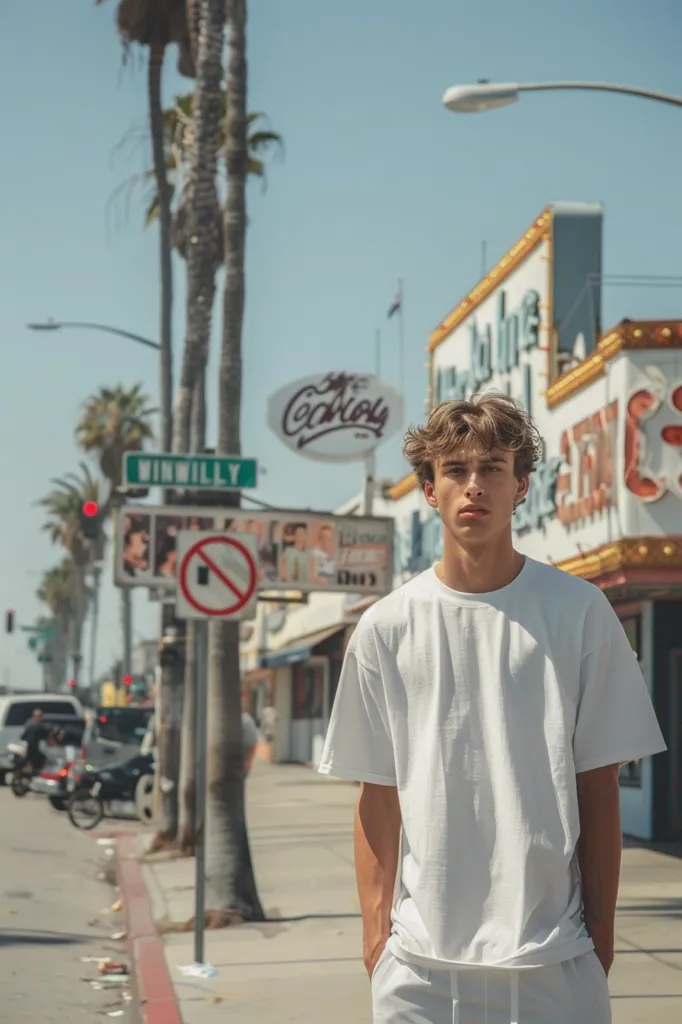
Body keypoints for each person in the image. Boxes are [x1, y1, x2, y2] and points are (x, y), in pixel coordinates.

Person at [318, 393, 666, 1024]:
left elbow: (599, 786)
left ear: (521, 486)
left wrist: (598, 942)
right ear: (428, 489)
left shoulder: (580, 612)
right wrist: (378, 944)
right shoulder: (385, 628)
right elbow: (378, 793)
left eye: (493, 468)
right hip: (419, 972)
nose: (473, 485)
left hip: (552, 962)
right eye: (454, 470)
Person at [21, 709, 50, 774]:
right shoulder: (40, 727)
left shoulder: (30, 725)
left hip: (34, 749)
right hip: (34, 749)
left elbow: (23, 737)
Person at [242, 711, 259, 776]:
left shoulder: (246, 720)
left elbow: (252, 744)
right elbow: (253, 744)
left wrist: (248, 761)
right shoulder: (246, 719)